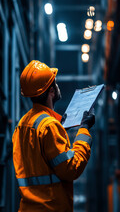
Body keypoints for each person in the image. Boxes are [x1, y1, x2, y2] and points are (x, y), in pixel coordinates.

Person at [12, 60, 95, 212]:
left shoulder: (22, 125)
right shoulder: (49, 126)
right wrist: (84, 129)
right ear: (51, 91)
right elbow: (71, 169)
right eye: (55, 83)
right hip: (50, 208)